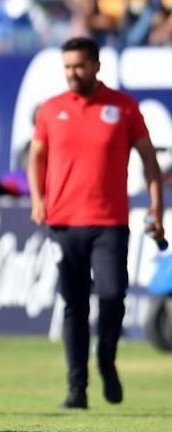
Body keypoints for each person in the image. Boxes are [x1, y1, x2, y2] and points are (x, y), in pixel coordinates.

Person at [28, 37, 165, 409]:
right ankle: (77, 388)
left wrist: (156, 208)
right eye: (68, 66)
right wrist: (38, 199)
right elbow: (36, 156)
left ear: (97, 66)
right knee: (73, 305)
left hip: (109, 222)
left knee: (111, 295)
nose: (73, 73)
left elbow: (151, 163)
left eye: (80, 66)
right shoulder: (50, 110)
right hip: (64, 222)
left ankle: (106, 358)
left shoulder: (122, 107)